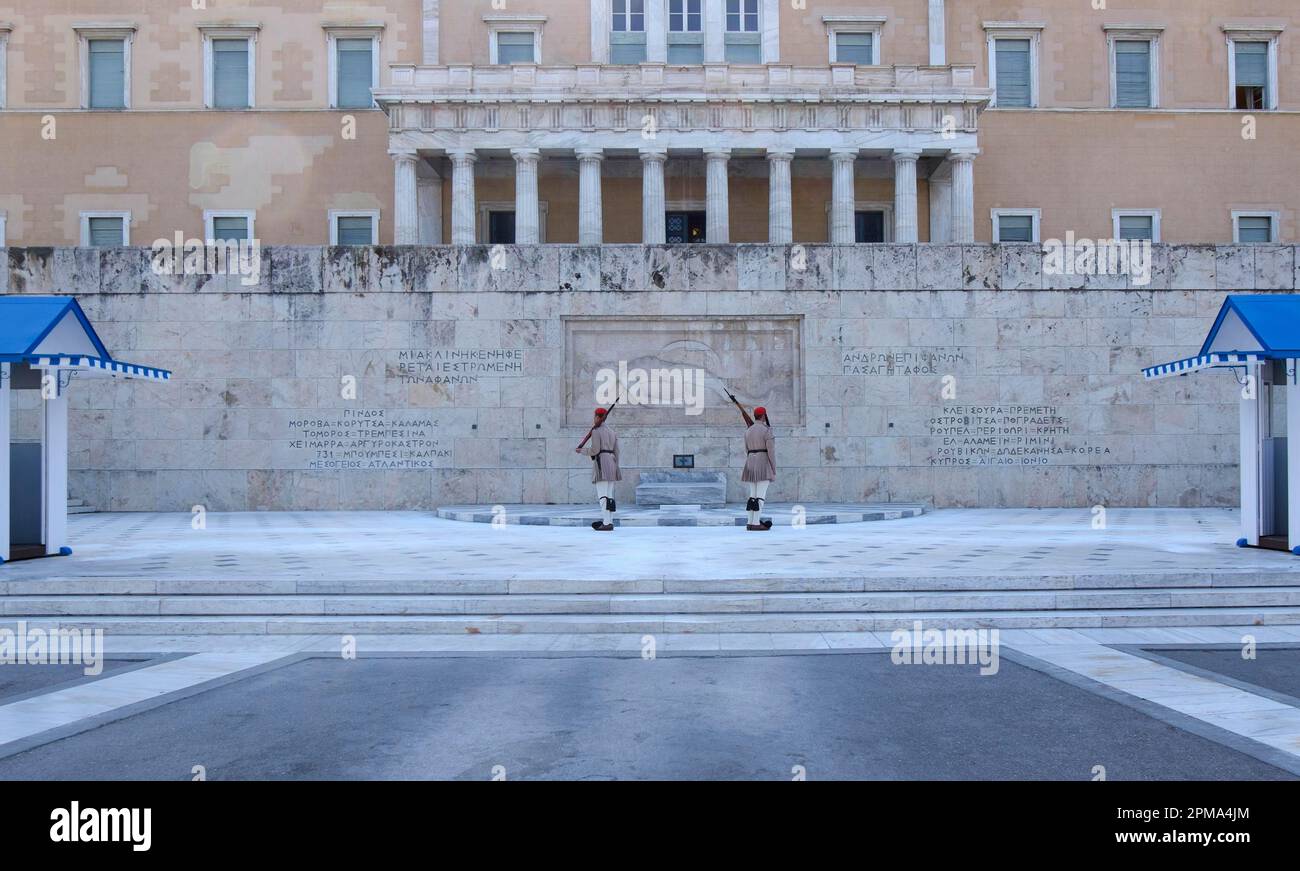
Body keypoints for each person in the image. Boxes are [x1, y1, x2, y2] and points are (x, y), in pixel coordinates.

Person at [577, 407, 620, 531]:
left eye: (595, 416)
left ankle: (606, 523)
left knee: (603, 496)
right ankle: (609, 521)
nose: (594, 419)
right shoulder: (612, 432)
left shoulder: (596, 431)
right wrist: (615, 466)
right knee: (610, 496)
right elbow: (617, 451)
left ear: (597, 417)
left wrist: (582, 451)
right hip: (612, 462)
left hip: (602, 462)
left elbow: (595, 450)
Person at [740, 406, 775, 531]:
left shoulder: (748, 431)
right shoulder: (766, 430)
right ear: (764, 416)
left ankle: (750, 522)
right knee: (760, 496)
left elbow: (746, 449)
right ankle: (755, 524)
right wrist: (773, 468)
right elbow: (771, 451)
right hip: (763, 463)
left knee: (752, 496)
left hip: (750, 463)